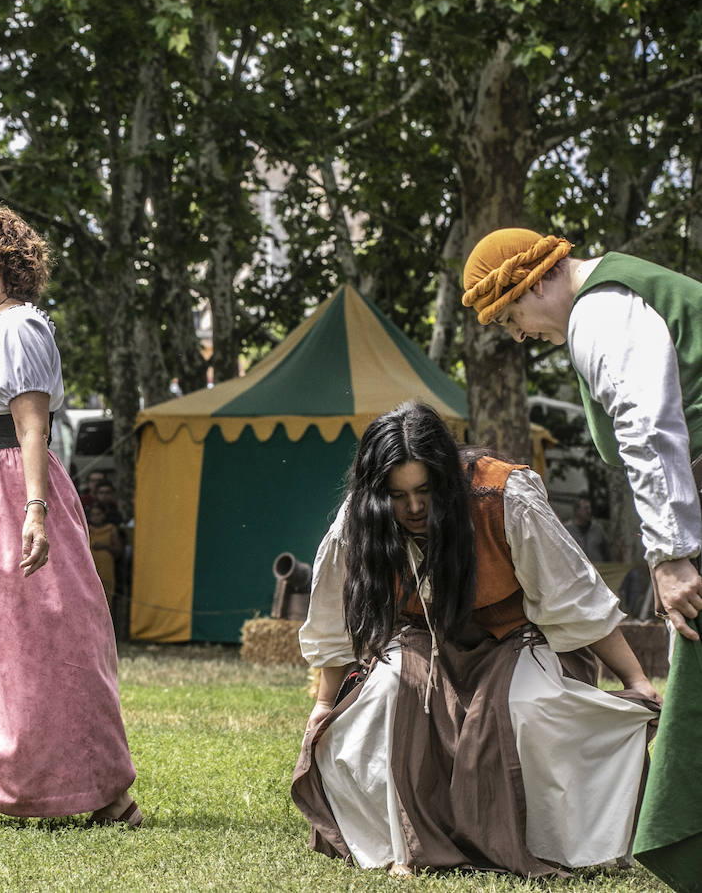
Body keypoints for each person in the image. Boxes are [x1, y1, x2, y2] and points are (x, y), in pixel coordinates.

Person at [293, 402, 659, 877]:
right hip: (419, 639)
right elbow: (332, 619)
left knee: (521, 708)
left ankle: (532, 841)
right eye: (398, 495)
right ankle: (407, 845)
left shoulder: (505, 495)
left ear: (446, 478)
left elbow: (575, 597)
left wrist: (635, 679)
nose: (414, 508)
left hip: (512, 636)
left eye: (425, 491)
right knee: (385, 698)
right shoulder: (360, 518)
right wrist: (324, 706)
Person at [462, 229, 702, 888]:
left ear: (539, 281)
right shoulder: (611, 299)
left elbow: (650, 427)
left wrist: (672, 554)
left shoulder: (600, 311)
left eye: (512, 316)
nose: (517, 335)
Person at [0, 203, 138, 826]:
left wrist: (35, 509)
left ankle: (103, 794)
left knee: (44, 639)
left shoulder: (21, 328)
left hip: (10, 487)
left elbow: (31, 424)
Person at [86, 501, 122, 605]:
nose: (96, 517)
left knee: (106, 601)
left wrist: (105, 546)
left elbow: (119, 551)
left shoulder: (111, 529)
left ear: (104, 515)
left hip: (107, 571)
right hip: (90, 572)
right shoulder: (87, 529)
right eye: (93, 515)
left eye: (99, 514)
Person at [564, 496, 611, 563]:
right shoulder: (567, 530)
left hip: (598, 569)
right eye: (586, 508)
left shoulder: (598, 529)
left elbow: (606, 552)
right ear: (577, 511)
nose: (589, 511)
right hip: (577, 570)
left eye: (589, 508)